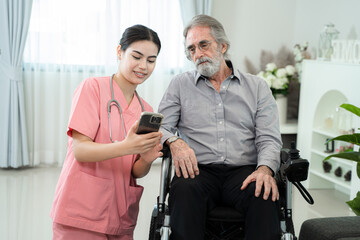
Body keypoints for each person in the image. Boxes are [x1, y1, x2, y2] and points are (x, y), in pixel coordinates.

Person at [158, 15, 283, 240]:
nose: (197, 54)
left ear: (223, 46)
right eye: (191, 49)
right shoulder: (179, 84)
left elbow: (269, 138)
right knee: (184, 191)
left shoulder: (257, 87)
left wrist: (265, 170)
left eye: (203, 45)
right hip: (197, 170)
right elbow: (161, 127)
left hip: (244, 171)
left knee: (263, 192)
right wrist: (173, 141)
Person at [50, 24, 163, 240]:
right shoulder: (92, 88)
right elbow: (81, 150)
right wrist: (128, 146)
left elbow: (135, 171)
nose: (143, 66)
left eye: (151, 60)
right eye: (136, 56)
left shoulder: (145, 109)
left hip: (120, 215)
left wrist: (147, 159)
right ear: (120, 52)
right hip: (82, 210)